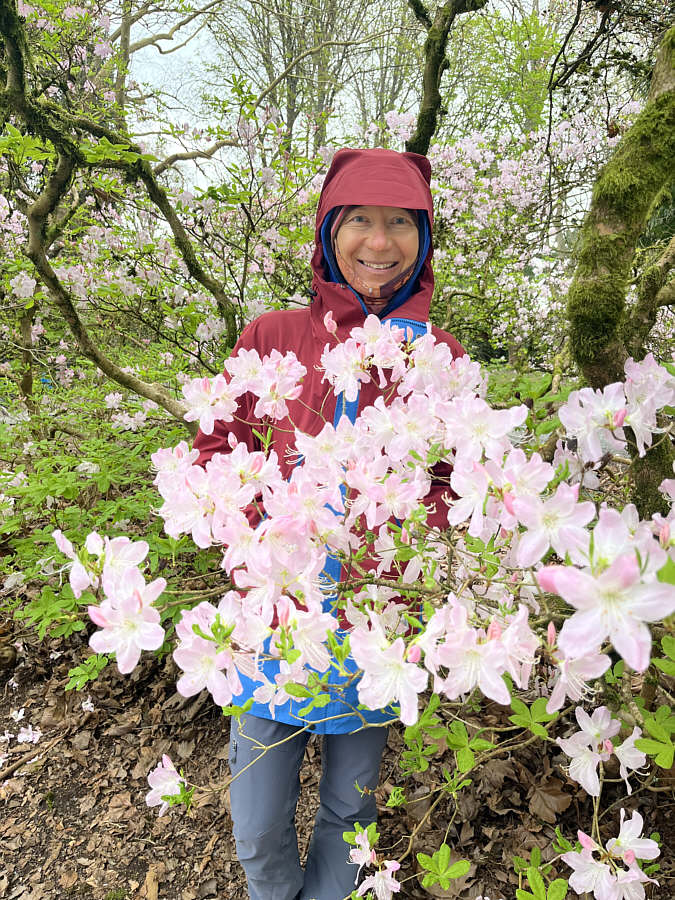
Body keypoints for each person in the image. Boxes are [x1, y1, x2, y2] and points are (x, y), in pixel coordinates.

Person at [193, 148, 464, 900]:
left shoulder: (438, 356)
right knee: (255, 823)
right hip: (272, 618)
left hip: (374, 623)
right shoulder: (271, 337)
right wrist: (259, 531)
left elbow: (455, 483)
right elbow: (215, 450)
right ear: (326, 233)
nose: (379, 244)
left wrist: (409, 541)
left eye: (400, 225)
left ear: (424, 239)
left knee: (350, 810)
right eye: (359, 222)